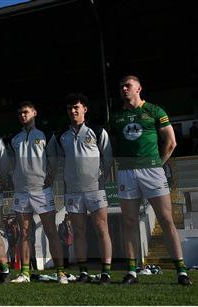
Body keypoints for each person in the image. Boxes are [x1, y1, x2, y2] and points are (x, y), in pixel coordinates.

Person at [111, 75, 191, 285]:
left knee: (166, 220)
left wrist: (158, 163)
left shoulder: (155, 111)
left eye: (128, 86)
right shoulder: (117, 116)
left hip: (152, 171)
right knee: (128, 223)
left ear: (139, 88)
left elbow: (171, 142)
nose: (124, 89)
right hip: (126, 172)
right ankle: (131, 272)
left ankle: (181, 272)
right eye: (121, 87)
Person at [49, 93, 113, 285]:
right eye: (70, 108)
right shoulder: (61, 135)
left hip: (95, 188)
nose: (73, 111)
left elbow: (108, 157)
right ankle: (83, 272)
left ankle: (106, 273)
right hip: (73, 191)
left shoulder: (97, 130)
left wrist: (102, 177)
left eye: (76, 107)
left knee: (102, 229)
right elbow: (53, 157)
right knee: (78, 232)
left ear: (85, 109)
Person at [9, 101, 67, 284]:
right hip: (21, 192)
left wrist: (52, 175)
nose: (23, 115)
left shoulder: (45, 135)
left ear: (34, 112)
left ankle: (61, 273)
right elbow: (12, 163)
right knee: (24, 233)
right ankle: (25, 273)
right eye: (20, 113)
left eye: (26, 112)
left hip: (42, 191)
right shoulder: (14, 139)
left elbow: (56, 159)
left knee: (51, 231)